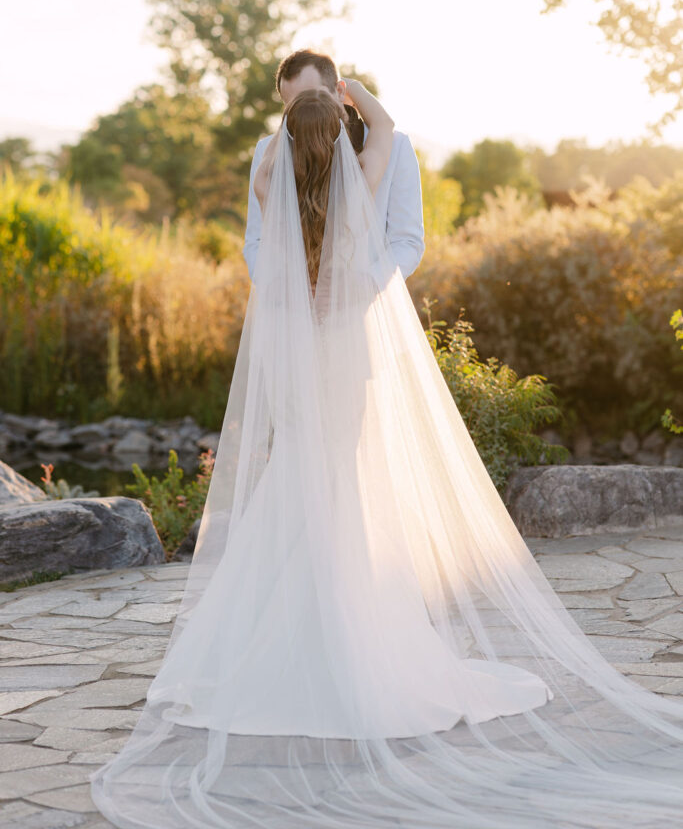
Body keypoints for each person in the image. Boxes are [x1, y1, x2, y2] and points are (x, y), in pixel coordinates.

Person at [91, 77, 683, 829]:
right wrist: (353, 94)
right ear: (337, 141)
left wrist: (295, 122)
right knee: (344, 487)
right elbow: (388, 124)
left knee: (299, 482)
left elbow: (269, 214)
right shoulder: (357, 190)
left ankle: (285, 641)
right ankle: (348, 632)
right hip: (347, 360)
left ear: (284, 139)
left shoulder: (272, 183)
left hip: (299, 361)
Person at [243, 48, 425, 284]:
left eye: (308, 99)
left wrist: (367, 285)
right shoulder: (369, 166)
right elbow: (256, 242)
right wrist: (285, 291)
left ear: (339, 91)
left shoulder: (397, 146)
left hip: (364, 309)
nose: (304, 113)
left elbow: (407, 242)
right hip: (291, 310)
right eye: (293, 106)